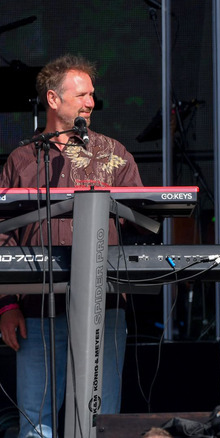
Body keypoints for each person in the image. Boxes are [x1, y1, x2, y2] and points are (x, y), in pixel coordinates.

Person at [0, 54, 144, 438]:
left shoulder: (114, 155)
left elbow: (142, 218)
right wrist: (7, 305)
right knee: (35, 421)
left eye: (92, 95)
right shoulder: (21, 159)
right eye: (81, 95)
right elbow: (3, 238)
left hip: (104, 307)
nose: (90, 103)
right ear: (53, 99)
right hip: (36, 310)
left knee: (101, 419)